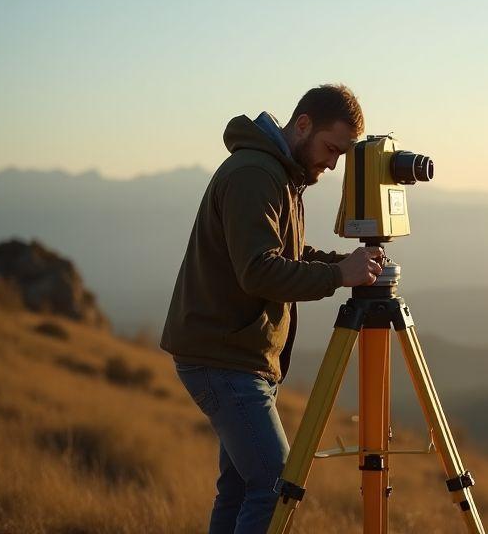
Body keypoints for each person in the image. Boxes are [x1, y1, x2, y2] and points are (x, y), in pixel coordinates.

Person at [160, 84, 382, 533]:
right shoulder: (255, 174)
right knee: (275, 483)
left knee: (241, 489)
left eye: (341, 155)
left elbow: (288, 254)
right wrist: (339, 276)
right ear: (303, 124)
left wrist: (344, 264)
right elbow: (259, 271)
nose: (332, 164)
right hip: (224, 358)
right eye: (331, 149)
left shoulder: (279, 173)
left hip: (238, 354)